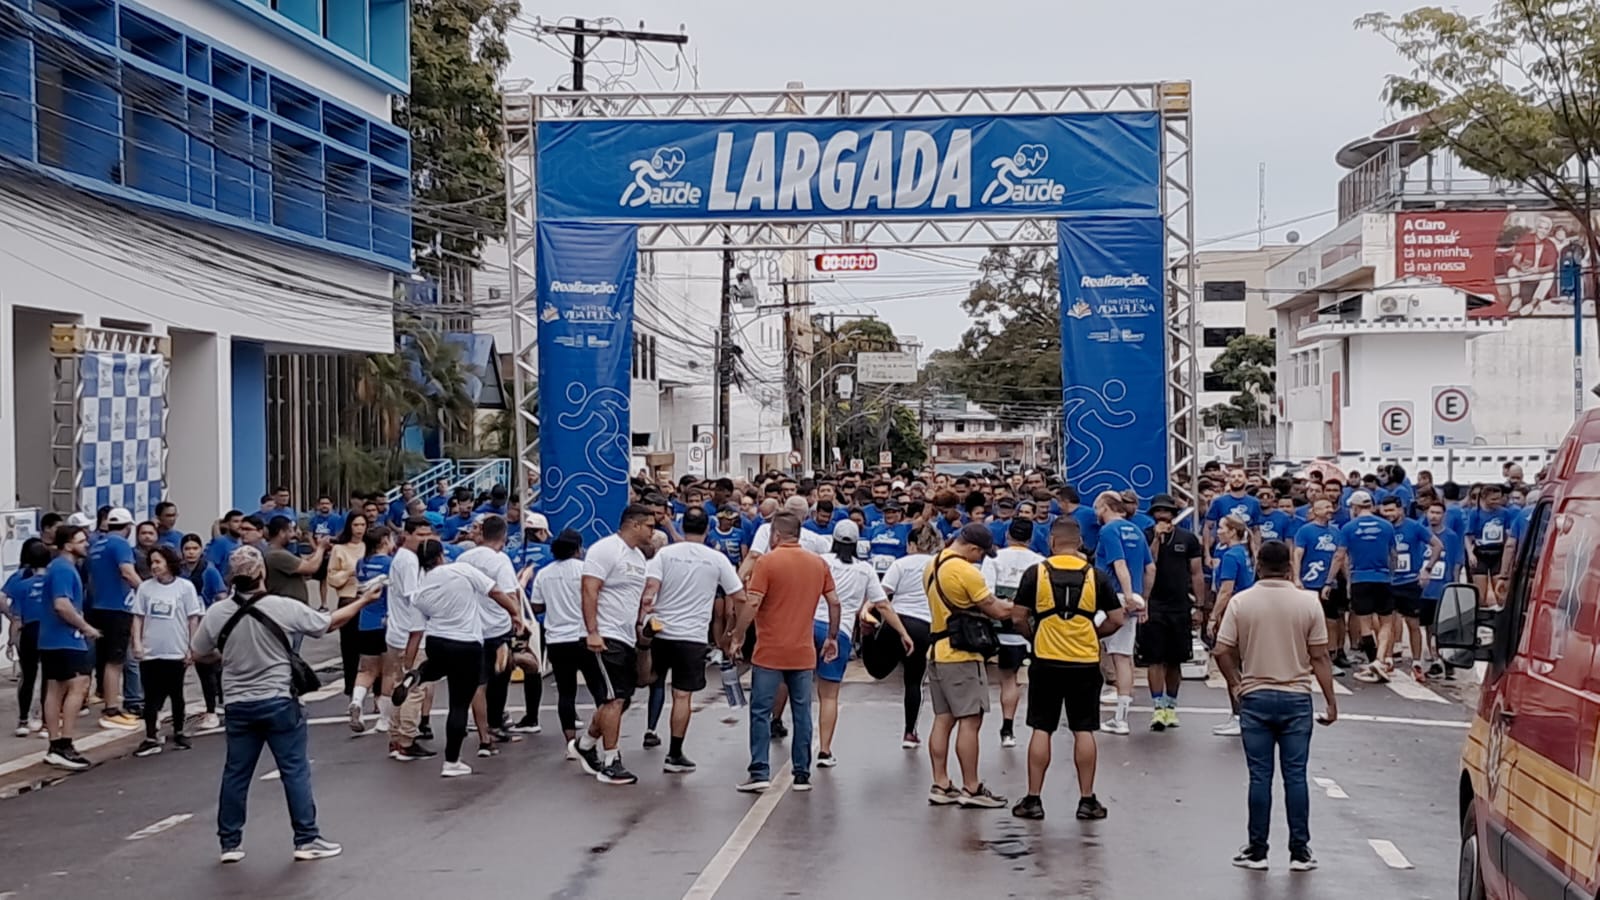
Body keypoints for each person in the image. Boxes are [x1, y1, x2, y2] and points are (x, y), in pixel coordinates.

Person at [192, 545, 378, 863]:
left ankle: (230, 843)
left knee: (236, 773)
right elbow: (329, 623)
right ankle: (306, 838)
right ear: (262, 572)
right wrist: (364, 600)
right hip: (278, 698)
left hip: (237, 703)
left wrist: (224, 656)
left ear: (232, 578)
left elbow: (198, 653)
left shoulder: (218, 612)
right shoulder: (282, 606)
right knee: (294, 770)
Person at [1213, 541, 1338, 872]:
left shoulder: (1241, 602)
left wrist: (1236, 683)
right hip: (1297, 697)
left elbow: (1221, 650)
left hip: (1255, 696)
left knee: (1260, 776)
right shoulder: (1308, 604)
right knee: (1295, 776)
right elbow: (1320, 656)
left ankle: (1258, 850)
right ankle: (1300, 851)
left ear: (1257, 565)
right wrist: (1330, 700)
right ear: (1290, 568)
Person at [1008, 518, 1125, 820]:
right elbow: (1116, 619)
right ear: (1079, 543)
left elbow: (1018, 616)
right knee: (1083, 728)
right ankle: (1087, 800)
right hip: (1084, 661)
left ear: (1052, 542)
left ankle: (1033, 799)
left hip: (1046, 659)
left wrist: (1033, 635)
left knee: (1041, 727)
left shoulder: (1036, 574)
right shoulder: (1095, 576)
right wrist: (1093, 633)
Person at [724, 512, 839, 794]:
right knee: (802, 712)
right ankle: (802, 774)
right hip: (802, 651)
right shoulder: (818, 563)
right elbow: (834, 603)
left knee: (761, 711)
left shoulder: (767, 562)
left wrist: (737, 636)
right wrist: (832, 637)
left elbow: (752, 603)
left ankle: (760, 771)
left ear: (775, 535)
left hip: (770, 651)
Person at [399, 539, 522, 776]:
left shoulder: (421, 588)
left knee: (435, 666)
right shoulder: (461, 570)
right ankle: (452, 761)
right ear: (441, 555)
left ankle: (417, 675)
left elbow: (417, 627)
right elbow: (495, 591)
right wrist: (514, 613)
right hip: (466, 643)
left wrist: (408, 658)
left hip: (436, 640)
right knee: (458, 704)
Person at [639, 507, 745, 772]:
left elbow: (649, 590)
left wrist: (643, 616)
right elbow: (739, 595)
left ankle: (638, 733)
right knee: (682, 696)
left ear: (682, 525)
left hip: (661, 629)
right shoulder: (717, 559)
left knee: (652, 682)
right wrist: (734, 630)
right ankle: (675, 753)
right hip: (693, 636)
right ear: (707, 529)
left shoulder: (665, 554)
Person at [923, 523, 1012, 808]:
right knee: (970, 720)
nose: (981, 559)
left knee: (942, 719)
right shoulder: (965, 572)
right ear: (973, 548)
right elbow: (996, 609)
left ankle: (941, 782)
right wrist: (1016, 605)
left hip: (936, 650)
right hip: (961, 653)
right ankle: (971, 788)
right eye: (981, 553)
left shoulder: (933, 565)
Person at [572, 504, 655, 786]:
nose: (652, 532)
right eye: (650, 526)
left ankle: (585, 743)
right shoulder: (606, 549)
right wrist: (593, 631)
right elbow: (589, 588)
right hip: (604, 635)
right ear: (634, 525)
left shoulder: (638, 558)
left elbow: (633, 599)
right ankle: (610, 760)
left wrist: (639, 627)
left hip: (625, 636)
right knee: (613, 699)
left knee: (623, 699)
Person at [815, 520, 906, 769]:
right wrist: (902, 632)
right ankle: (824, 750)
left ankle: (782, 728)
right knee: (829, 696)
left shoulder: (820, 560)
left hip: (809, 626)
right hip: (839, 632)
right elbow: (883, 604)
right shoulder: (864, 570)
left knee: (797, 689)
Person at [456, 515, 524, 746]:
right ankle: (495, 723)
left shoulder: (463, 558)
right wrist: (517, 616)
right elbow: (509, 593)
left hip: (471, 626)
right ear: (503, 536)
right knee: (499, 679)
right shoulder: (500, 560)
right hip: (496, 627)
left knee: (477, 681)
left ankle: (481, 727)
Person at [131, 545, 204, 757]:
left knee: (176, 693)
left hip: (176, 649)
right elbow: (138, 616)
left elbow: (192, 618)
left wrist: (192, 646)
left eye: (158, 562)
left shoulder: (185, 587)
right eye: (152, 562)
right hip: (151, 649)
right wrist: (137, 642)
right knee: (151, 695)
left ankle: (179, 730)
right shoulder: (145, 588)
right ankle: (151, 735)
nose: (155, 566)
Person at [1141, 493, 1205, 731]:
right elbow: (1149, 562)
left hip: (1179, 605)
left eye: (1166, 512)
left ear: (1173, 515)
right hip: (1154, 604)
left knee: (1175, 659)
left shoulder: (1188, 539)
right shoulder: (1146, 536)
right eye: (1158, 512)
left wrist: (1199, 605)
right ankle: (1157, 707)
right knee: (1154, 658)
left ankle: (1171, 706)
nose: (1162, 516)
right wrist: (1157, 539)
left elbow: (1196, 573)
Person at [40, 526, 100, 770]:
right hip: (65, 638)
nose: (86, 544)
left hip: (53, 638)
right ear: (67, 545)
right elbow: (62, 605)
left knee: (56, 687)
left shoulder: (59, 568)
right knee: (79, 684)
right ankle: (64, 742)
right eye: (81, 540)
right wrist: (86, 627)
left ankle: (57, 744)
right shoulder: (64, 569)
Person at [1093, 491, 1152, 735]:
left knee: (1089, 643)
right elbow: (1150, 568)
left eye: (1097, 508)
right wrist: (1142, 600)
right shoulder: (1136, 530)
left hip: (1112, 597)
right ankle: (1121, 715)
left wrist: (1127, 595)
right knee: (1124, 657)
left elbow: (1119, 564)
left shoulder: (1109, 531)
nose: (1096, 513)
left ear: (1105, 507)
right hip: (1132, 598)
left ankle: (1108, 709)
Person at [877, 526, 942, 749]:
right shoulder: (939, 564)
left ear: (912, 545)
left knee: (879, 667)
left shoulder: (900, 564)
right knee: (914, 681)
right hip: (924, 624)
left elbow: (882, 594)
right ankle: (909, 732)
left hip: (896, 620)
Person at [980, 518, 1043, 748]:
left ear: (1007, 536)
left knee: (1004, 679)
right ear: (1031, 538)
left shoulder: (994, 559)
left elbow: (986, 592)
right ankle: (1020, 728)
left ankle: (999, 727)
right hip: (1027, 628)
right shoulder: (1040, 562)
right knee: (1021, 679)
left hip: (998, 626)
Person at [384, 518, 439, 762]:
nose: (424, 539)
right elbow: (413, 596)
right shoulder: (408, 560)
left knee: (401, 686)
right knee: (413, 688)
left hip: (399, 632)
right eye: (420, 534)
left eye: (428, 534)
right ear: (406, 534)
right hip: (410, 634)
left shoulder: (405, 558)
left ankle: (396, 738)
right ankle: (406, 739)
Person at [87, 507, 143, 729]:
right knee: (115, 660)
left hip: (98, 606)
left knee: (105, 659)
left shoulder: (97, 545)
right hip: (116, 607)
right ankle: (111, 709)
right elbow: (127, 571)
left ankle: (109, 703)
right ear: (128, 527)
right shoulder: (119, 544)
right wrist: (147, 590)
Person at [1334, 491, 1399, 682]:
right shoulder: (1387, 526)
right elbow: (1393, 554)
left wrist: (1332, 579)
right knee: (1386, 622)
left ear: (1354, 507)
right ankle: (1379, 659)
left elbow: (1340, 556)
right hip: (1383, 578)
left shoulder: (1348, 528)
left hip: (1360, 578)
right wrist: (1391, 574)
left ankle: (1374, 662)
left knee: (1365, 624)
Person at [533, 529, 588, 749]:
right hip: (583, 636)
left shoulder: (544, 573)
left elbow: (536, 606)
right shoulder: (585, 570)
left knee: (566, 692)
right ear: (577, 549)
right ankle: (598, 736)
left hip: (556, 638)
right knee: (599, 689)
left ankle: (571, 742)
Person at [1380, 496, 1443, 683]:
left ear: (1401, 509)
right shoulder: (1384, 528)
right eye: (1385, 511)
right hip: (1389, 582)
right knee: (1388, 624)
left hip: (1409, 583)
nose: (1389, 515)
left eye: (1392, 510)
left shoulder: (1414, 527)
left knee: (1413, 625)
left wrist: (1427, 569)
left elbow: (1438, 545)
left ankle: (1416, 663)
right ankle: (1388, 659)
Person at [1208, 516, 1257, 737]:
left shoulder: (1230, 555)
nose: (1218, 532)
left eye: (1221, 528)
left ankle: (1240, 714)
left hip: (1233, 613)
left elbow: (1226, 590)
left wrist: (1213, 615)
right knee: (1238, 662)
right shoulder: (1243, 553)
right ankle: (1240, 713)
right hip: (1247, 610)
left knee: (1227, 659)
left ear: (1232, 532)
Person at [1293, 499, 1349, 672]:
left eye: (1330, 507)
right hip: (1308, 582)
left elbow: (1340, 557)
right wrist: (1296, 578)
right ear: (1315, 510)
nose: (1329, 510)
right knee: (1306, 621)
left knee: (1331, 620)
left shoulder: (1336, 532)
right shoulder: (1305, 530)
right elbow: (1297, 553)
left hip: (1328, 582)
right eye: (1325, 507)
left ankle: (1329, 657)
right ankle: (1304, 658)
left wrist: (1336, 581)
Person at [347, 528, 394, 734]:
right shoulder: (390, 564)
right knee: (389, 671)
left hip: (365, 621)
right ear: (385, 541)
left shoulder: (361, 563)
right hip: (386, 622)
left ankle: (357, 701)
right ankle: (384, 719)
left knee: (366, 670)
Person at [181, 534, 229, 730]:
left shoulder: (209, 571)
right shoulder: (180, 572)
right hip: (183, 624)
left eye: (195, 548)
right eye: (187, 548)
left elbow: (221, 596)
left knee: (207, 667)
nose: (191, 552)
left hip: (206, 622)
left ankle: (213, 708)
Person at [4, 538, 50, 737]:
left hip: (29, 633)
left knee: (28, 676)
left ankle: (23, 720)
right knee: (49, 677)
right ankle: (47, 723)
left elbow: (16, 617)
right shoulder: (55, 580)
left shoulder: (21, 583)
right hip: (50, 632)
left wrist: (11, 640)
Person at [324, 514, 369, 694]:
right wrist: (349, 572)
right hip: (348, 599)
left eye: (363, 524)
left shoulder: (369, 547)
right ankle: (350, 688)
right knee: (350, 648)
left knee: (372, 649)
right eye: (356, 524)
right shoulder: (339, 549)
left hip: (369, 599)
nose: (359, 528)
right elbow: (332, 578)